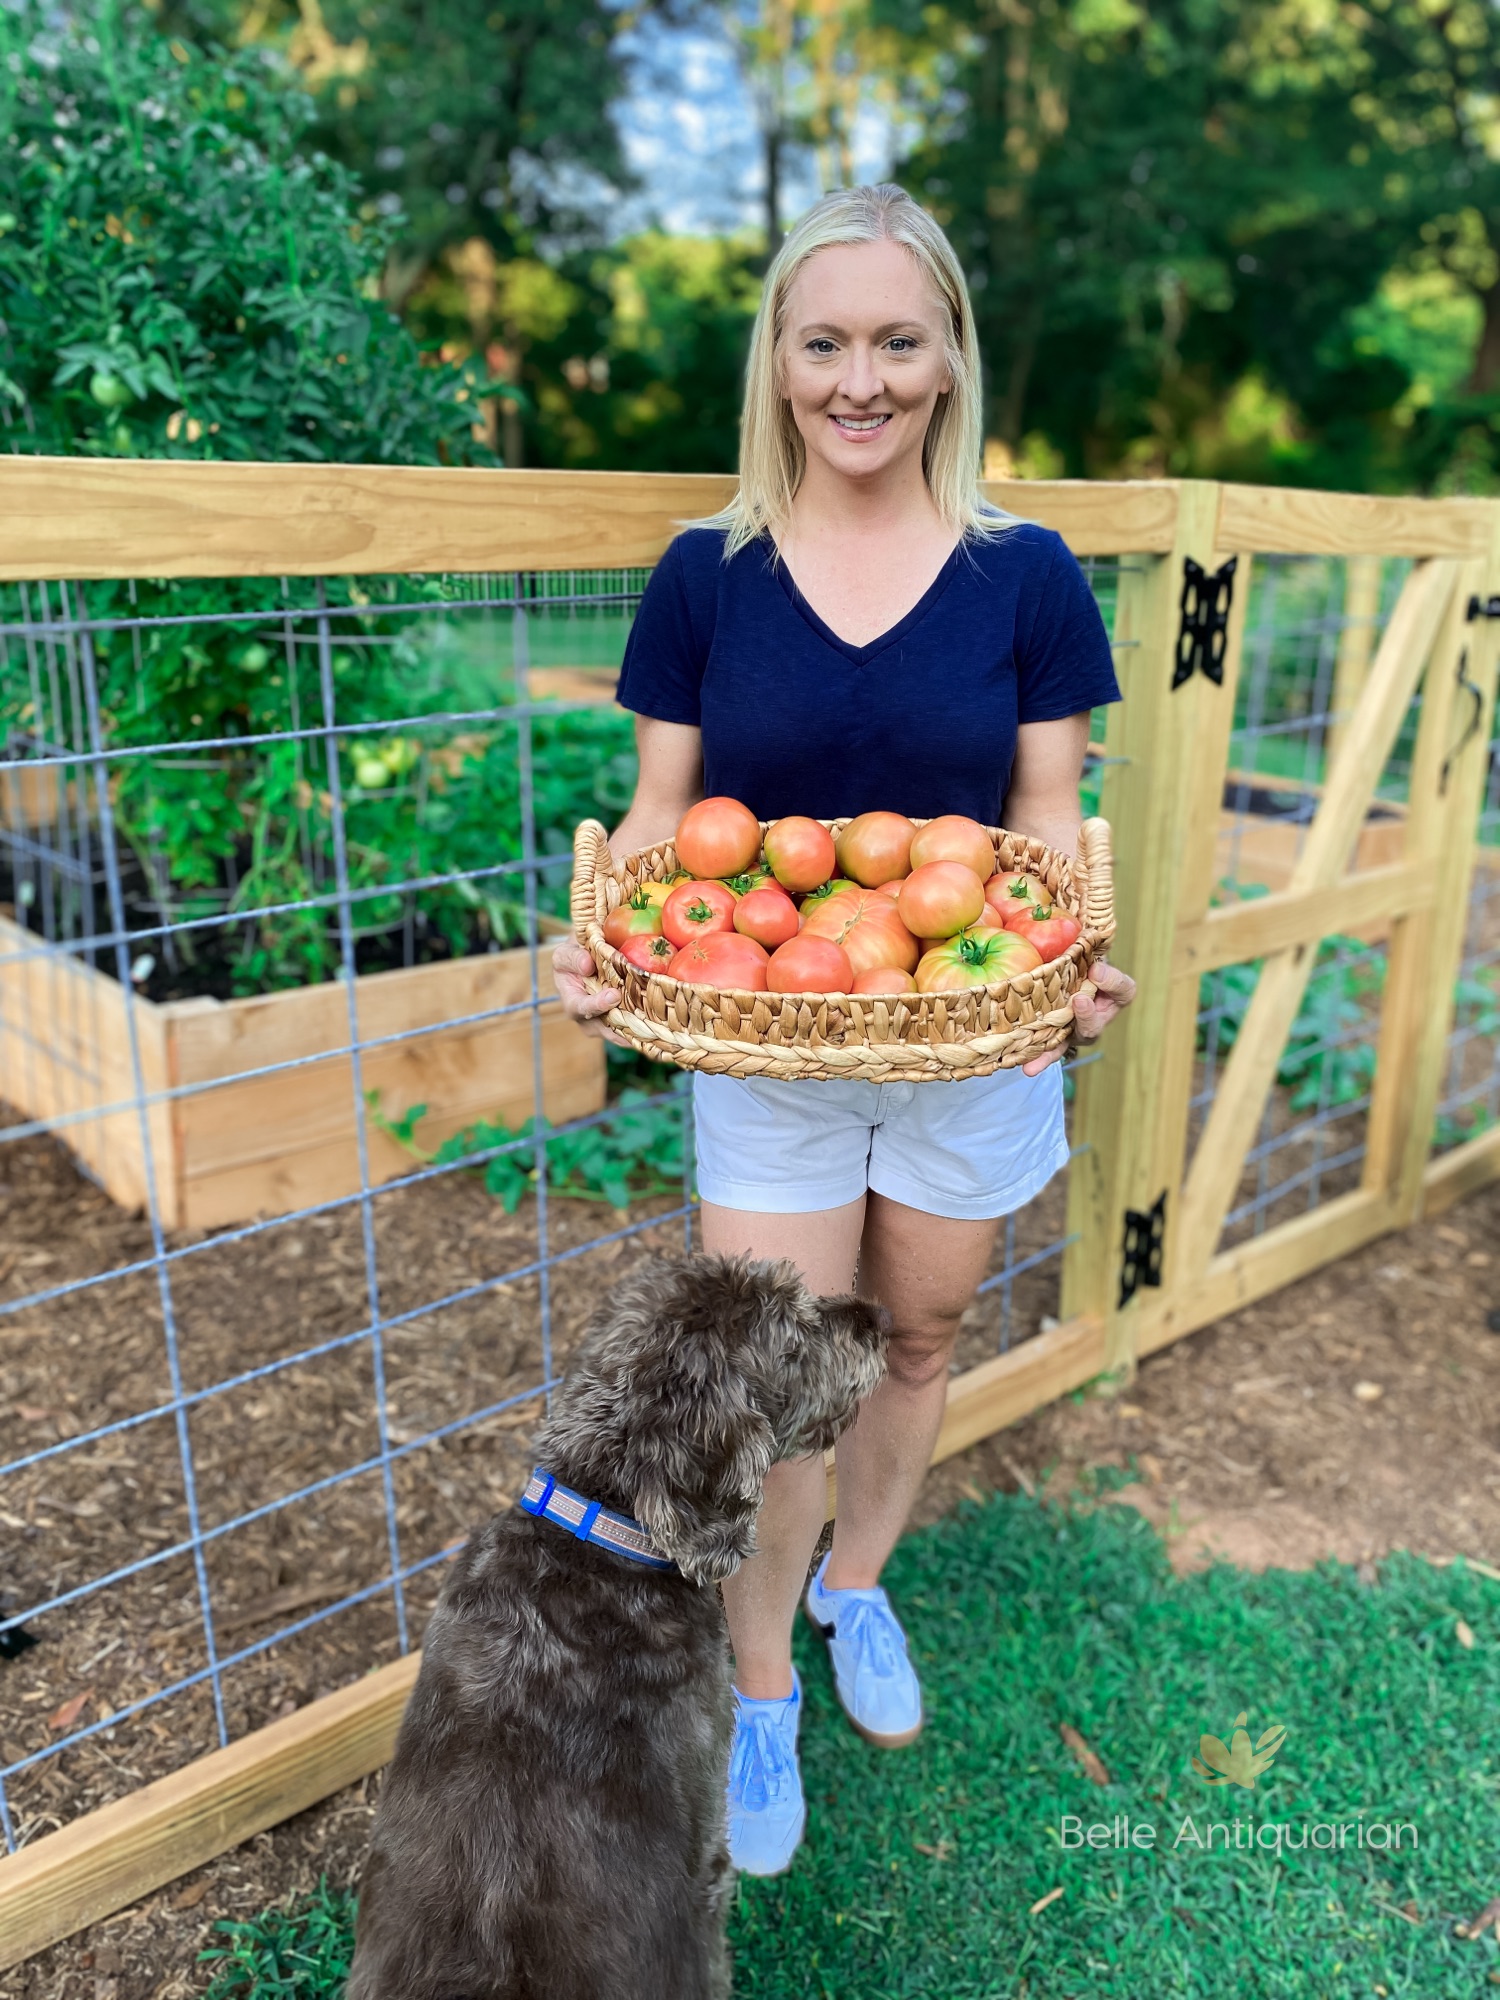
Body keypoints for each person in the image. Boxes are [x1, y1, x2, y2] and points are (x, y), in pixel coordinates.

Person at [552, 182, 1136, 1876]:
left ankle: (856, 1589)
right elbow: (663, 821)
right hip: (767, 1042)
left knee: (923, 1340)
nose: (859, 377)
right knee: (775, 1383)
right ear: (780, 363)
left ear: (950, 357)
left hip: (971, 1044)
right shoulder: (706, 575)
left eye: (897, 339)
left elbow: (1042, 833)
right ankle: (759, 1691)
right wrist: (605, 941)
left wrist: (1072, 965)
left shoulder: (1026, 576)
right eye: (826, 342)